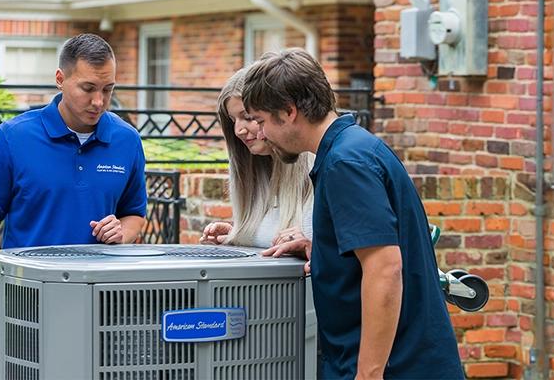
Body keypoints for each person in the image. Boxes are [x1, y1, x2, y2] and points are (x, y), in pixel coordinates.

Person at [242, 48, 464, 379]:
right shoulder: (354, 148)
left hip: (394, 369)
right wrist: (326, 252)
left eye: (260, 121)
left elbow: (385, 268)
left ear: (289, 112)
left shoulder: (346, 163)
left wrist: (368, 374)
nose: (260, 133)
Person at [0, 33, 148, 358]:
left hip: (103, 303)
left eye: (108, 89)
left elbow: (134, 212)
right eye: (88, 88)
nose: (99, 101)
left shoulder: (127, 140)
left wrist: (123, 231)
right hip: (26, 303)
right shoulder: (13, 138)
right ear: (60, 79)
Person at [198, 67, 319, 379]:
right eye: (233, 120)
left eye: (249, 117)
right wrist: (240, 237)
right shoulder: (258, 173)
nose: (240, 129)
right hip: (261, 331)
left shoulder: (321, 170)